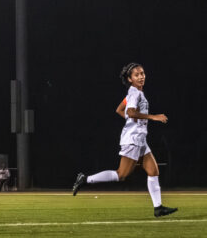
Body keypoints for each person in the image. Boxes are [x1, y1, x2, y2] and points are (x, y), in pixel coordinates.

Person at [72, 63, 177, 217]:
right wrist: (152, 117)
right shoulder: (135, 94)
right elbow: (130, 112)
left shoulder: (133, 92)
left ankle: (158, 207)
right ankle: (85, 179)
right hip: (133, 139)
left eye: (142, 73)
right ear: (130, 79)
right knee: (121, 174)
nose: (141, 77)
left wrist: (133, 121)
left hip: (140, 139)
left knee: (153, 170)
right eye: (136, 75)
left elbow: (120, 110)